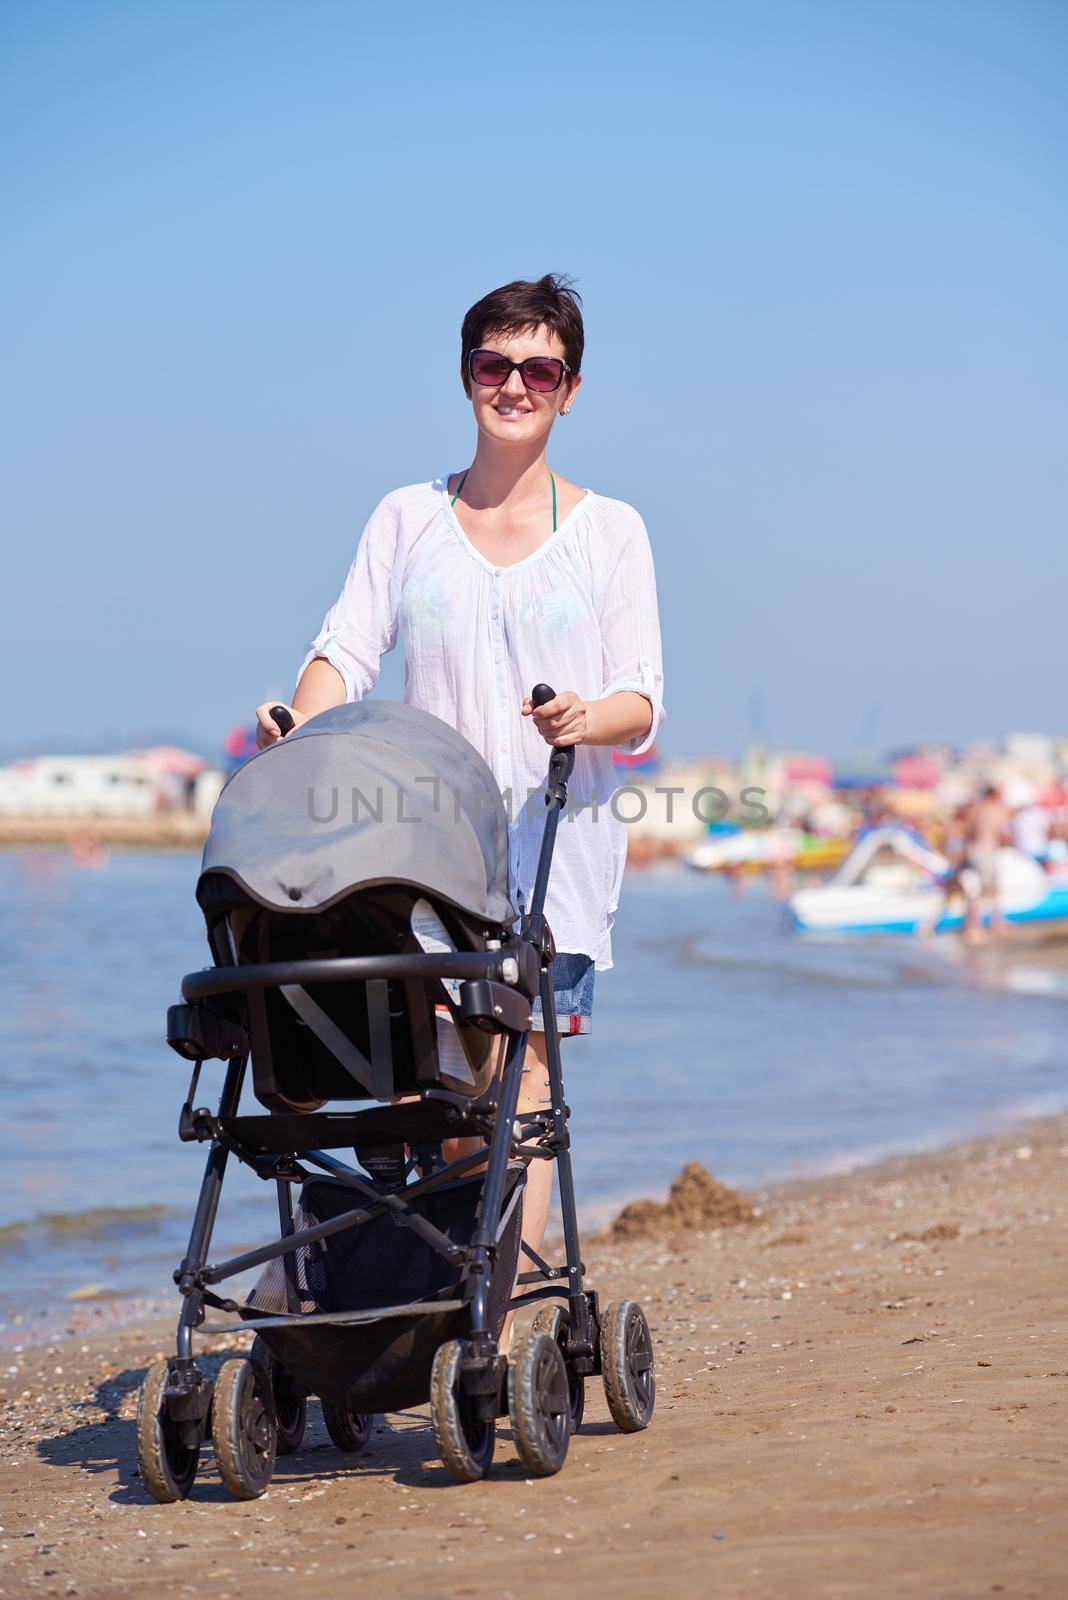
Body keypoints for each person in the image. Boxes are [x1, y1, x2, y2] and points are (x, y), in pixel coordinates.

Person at [254, 273, 665, 1335]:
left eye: (540, 369)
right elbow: (342, 649)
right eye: (496, 364)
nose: (515, 385)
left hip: (548, 855)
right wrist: (300, 734)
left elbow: (644, 695)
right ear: (466, 375)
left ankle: (503, 1323)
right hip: (411, 853)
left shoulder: (611, 529)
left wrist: (585, 714)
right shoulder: (408, 517)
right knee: (413, 1087)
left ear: (570, 389)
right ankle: (413, 1304)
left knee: (512, 1080)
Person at [962, 784, 1010, 943]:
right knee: (984, 890)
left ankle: (997, 921)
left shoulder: (978, 808)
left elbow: (968, 831)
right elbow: (1001, 832)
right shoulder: (995, 808)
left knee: (989, 888)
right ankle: (975, 928)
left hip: (978, 850)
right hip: (986, 850)